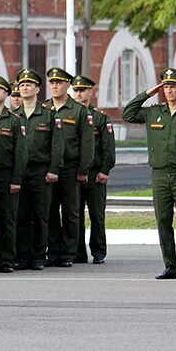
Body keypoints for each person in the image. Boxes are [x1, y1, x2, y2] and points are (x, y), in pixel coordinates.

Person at [123, 68, 176, 279]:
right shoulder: (153, 112)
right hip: (160, 174)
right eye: (166, 87)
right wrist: (148, 93)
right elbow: (128, 113)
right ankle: (170, 265)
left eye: (173, 86)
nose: (169, 91)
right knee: (163, 221)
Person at [43, 67, 94, 268]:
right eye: (52, 83)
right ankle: (53, 251)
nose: (55, 86)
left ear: (67, 85)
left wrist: (83, 169)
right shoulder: (44, 108)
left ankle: (69, 252)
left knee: (71, 211)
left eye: (59, 83)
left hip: (71, 168)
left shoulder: (79, 111)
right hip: (49, 168)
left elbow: (87, 143)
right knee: (50, 210)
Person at [14, 68, 64, 270]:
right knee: (21, 214)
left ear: (37, 89)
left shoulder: (48, 115)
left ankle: (38, 256)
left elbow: (57, 144)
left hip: (41, 171)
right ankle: (23, 255)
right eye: (22, 85)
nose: (24, 88)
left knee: (41, 215)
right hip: (19, 172)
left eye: (29, 85)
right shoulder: (14, 115)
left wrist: (54, 169)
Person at [0, 74, 28, 273]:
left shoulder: (14, 121)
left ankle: (8, 258)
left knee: (8, 218)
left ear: (6, 94)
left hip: (6, 175)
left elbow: (21, 152)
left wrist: (16, 179)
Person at [72, 75, 115, 265]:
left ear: (91, 92)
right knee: (75, 215)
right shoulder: (69, 116)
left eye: (82, 90)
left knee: (97, 215)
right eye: (76, 90)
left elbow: (108, 147)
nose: (79, 94)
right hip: (75, 174)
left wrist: (105, 170)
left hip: (95, 174)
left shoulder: (99, 118)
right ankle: (78, 252)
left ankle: (98, 251)